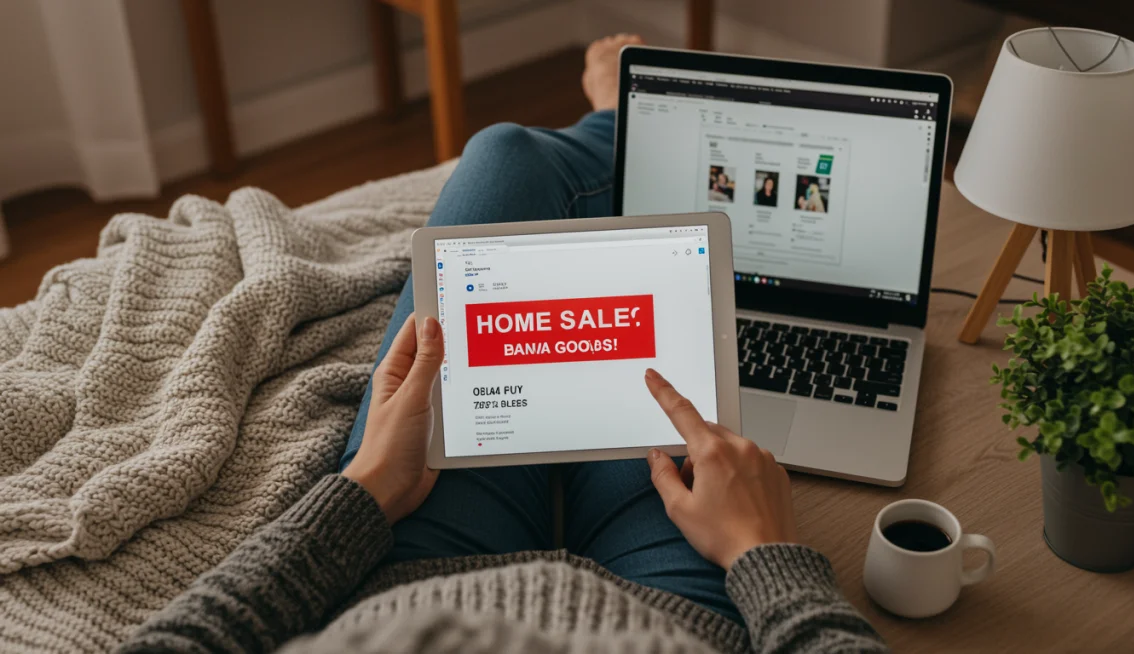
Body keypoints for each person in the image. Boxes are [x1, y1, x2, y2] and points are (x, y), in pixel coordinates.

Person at [120, 34, 886, 654]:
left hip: (415, 581)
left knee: (505, 157)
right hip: (671, 617)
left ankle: (619, 121)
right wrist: (766, 559)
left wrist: (363, 490)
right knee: (659, 271)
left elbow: (186, 637)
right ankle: (625, 123)